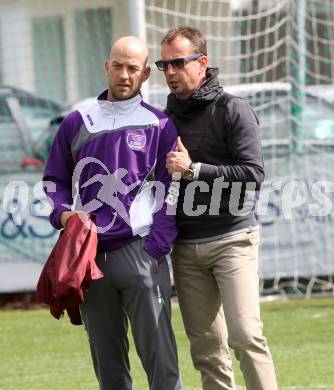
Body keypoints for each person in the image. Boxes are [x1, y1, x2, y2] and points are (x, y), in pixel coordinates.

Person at [43, 36, 183, 390]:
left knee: (161, 360)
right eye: (117, 65)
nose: (124, 74)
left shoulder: (160, 125)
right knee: (108, 365)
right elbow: (54, 180)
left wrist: (156, 248)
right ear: (106, 67)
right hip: (89, 259)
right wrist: (63, 215)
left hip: (141, 252)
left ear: (145, 73)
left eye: (132, 68)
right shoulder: (77, 122)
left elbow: (172, 191)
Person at [156, 26, 278, 390]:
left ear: (202, 63)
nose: (171, 72)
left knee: (245, 336)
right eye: (164, 65)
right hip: (186, 247)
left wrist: (193, 170)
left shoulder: (233, 109)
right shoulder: (164, 117)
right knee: (207, 350)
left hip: (233, 239)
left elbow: (252, 175)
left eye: (178, 62)